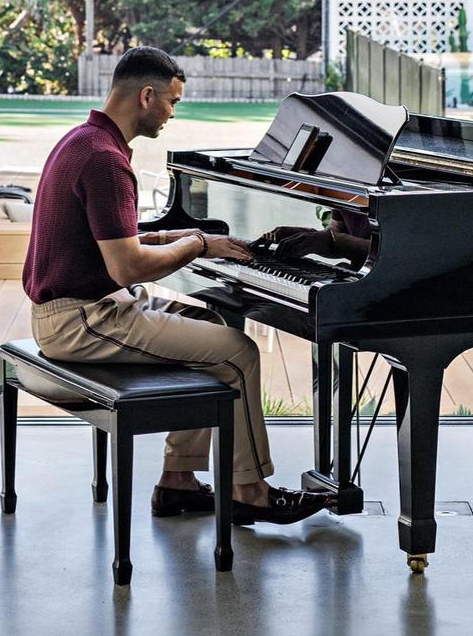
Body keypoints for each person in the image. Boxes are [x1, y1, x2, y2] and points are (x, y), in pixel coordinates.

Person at [22, 46, 328, 525]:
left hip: (83, 307)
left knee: (206, 322)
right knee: (238, 353)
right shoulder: (105, 160)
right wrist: (200, 245)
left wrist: (174, 236)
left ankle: (178, 482)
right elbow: (127, 267)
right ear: (147, 95)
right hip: (82, 320)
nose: (172, 113)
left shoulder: (82, 141)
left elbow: (108, 240)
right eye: (173, 101)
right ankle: (249, 490)